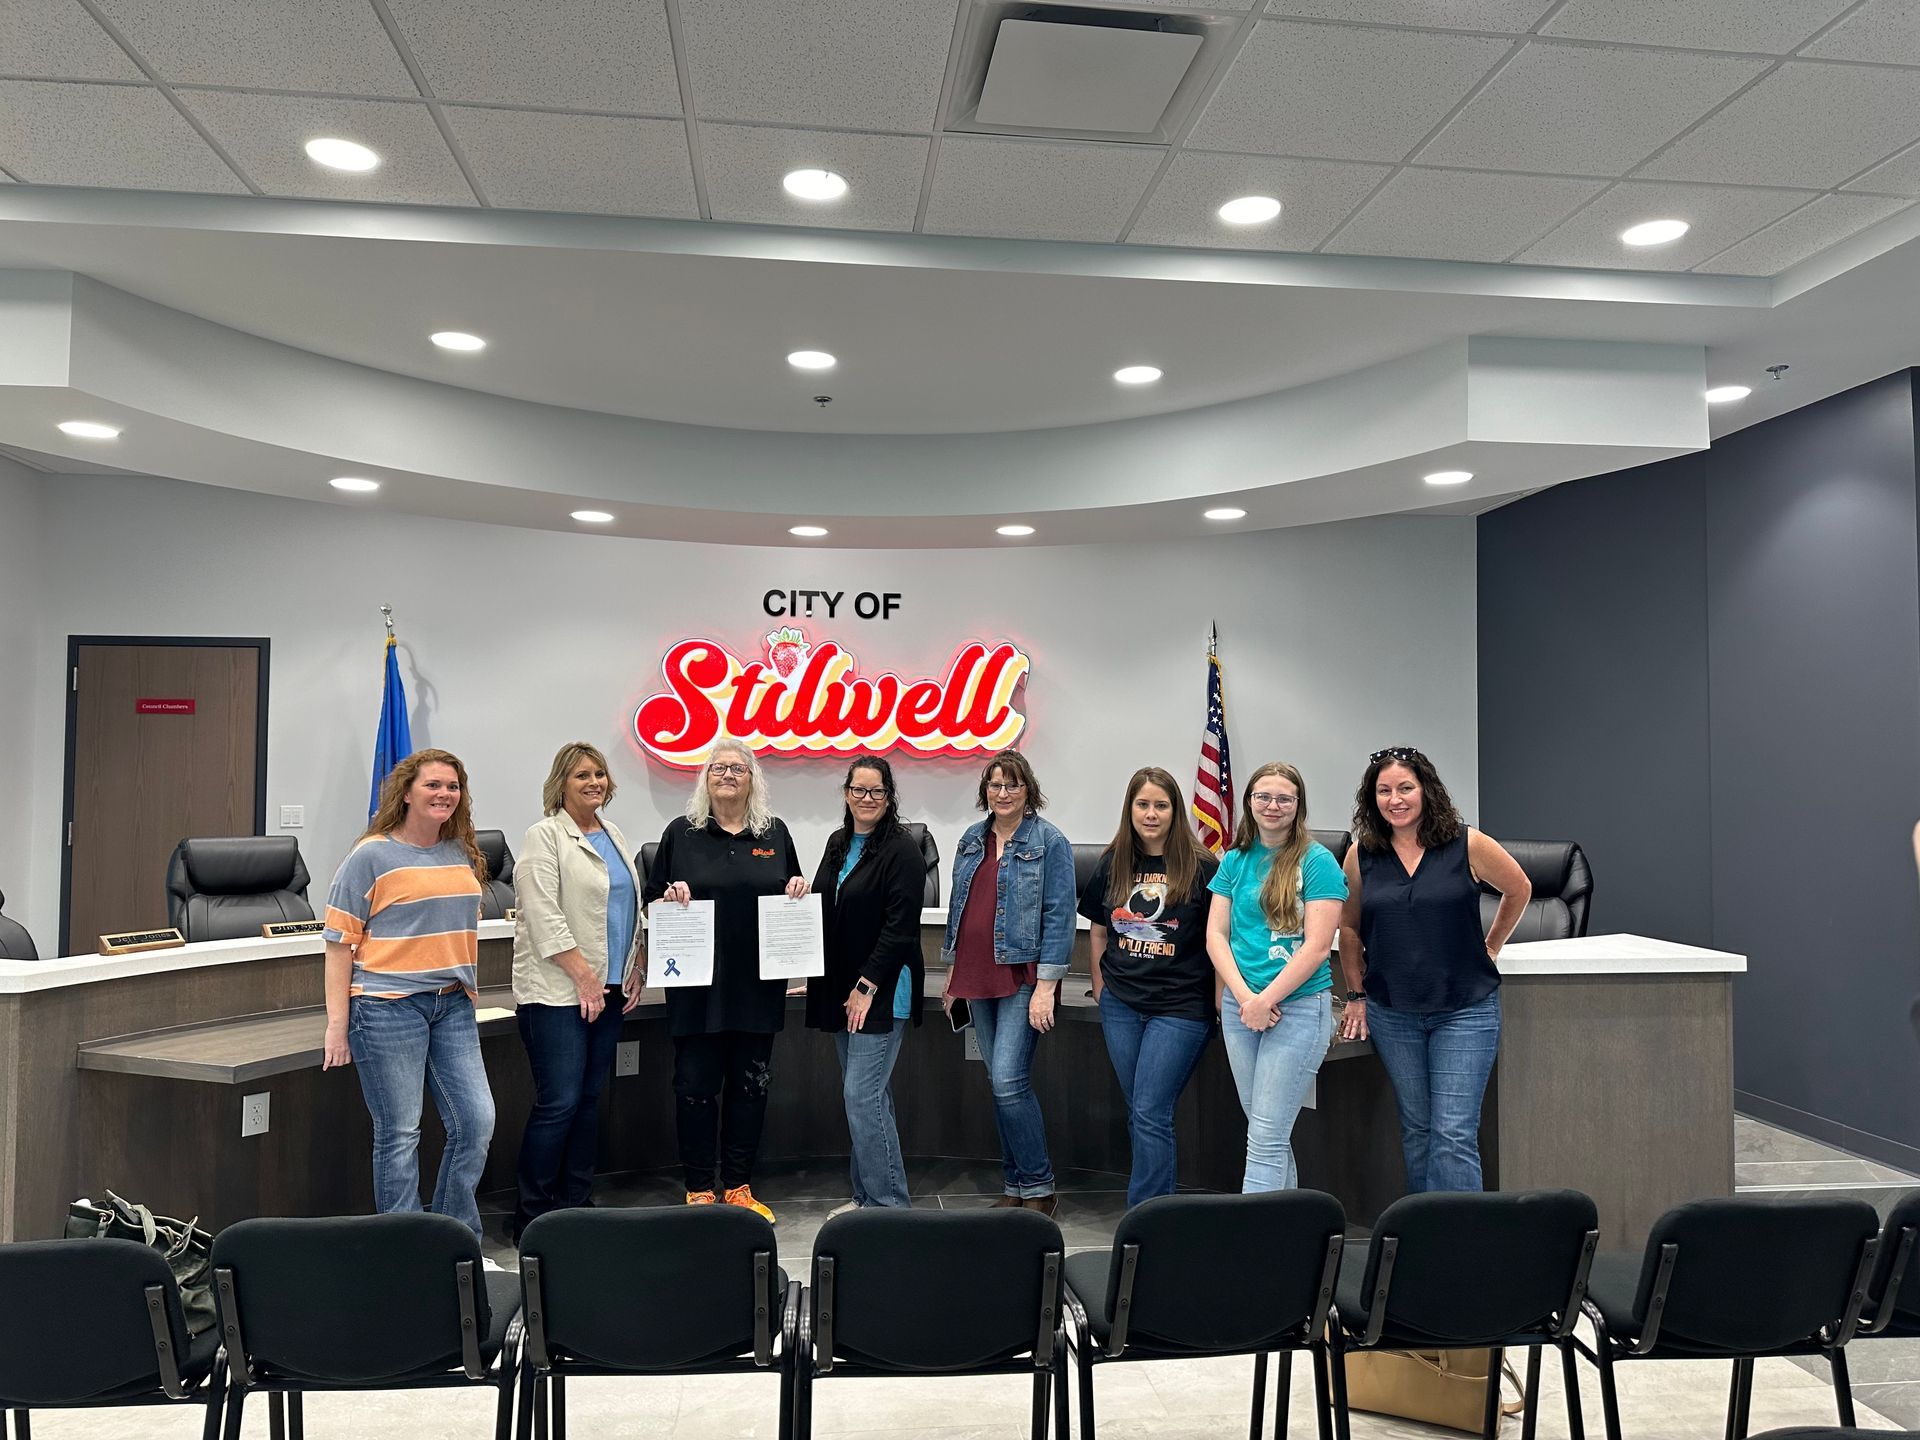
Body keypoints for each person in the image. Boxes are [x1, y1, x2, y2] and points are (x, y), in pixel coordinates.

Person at [1337, 746, 1531, 1194]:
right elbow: (1349, 928)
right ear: (1373, 799)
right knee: (1418, 1129)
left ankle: (1463, 1246)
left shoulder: (1467, 843)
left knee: (1454, 1135)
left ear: (1426, 789)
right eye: (1384, 791)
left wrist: (1492, 945)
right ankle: (1425, 1237)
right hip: (1392, 1011)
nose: (1395, 799)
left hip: (1465, 1010)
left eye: (1405, 787)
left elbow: (1519, 888)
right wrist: (1356, 994)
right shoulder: (1362, 854)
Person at [321, 748, 495, 1240]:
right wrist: (338, 1025)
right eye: (433, 785)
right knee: (400, 1134)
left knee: (477, 1123)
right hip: (384, 1008)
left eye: (453, 787)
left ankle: (454, 1238)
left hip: (452, 1004)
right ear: (407, 792)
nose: (444, 794)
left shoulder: (461, 851)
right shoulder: (370, 855)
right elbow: (339, 945)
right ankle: (405, 1247)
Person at [643, 738, 807, 1220]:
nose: (728, 775)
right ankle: (698, 1187)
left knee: (749, 1088)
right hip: (697, 990)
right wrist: (669, 895)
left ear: (752, 779)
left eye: (738, 768)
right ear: (705, 778)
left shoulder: (773, 833)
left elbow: (791, 888)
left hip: (757, 988)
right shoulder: (682, 833)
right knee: (694, 1087)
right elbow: (652, 899)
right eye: (719, 768)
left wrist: (797, 887)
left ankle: (737, 1185)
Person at [510, 741, 645, 1241]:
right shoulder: (543, 837)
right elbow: (544, 917)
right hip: (557, 995)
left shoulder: (616, 835)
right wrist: (586, 978)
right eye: (581, 775)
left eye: (600, 774)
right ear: (560, 785)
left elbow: (627, 911)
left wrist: (637, 966)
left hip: (609, 991)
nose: (594, 782)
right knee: (559, 1102)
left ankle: (577, 1203)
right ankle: (534, 1214)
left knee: (589, 1099)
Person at [940, 749, 1075, 1215]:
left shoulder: (1049, 841)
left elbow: (1060, 915)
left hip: (1021, 976)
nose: (1002, 793)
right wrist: (953, 976)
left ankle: (1040, 1186)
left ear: (1027, 789)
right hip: (976, 975)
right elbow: (962, 908)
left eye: (1012, 784)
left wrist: (1047, 985)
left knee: (1008, 1081)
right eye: (994, 785)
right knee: (998, 1081)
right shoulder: (970, 840)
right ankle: (1015, 1184)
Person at [1079, 766, 1218, 1207]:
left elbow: (1219, 939)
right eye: (1143, 805)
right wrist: (1101, 987)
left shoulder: (1202, 867)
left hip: (1179, 1008)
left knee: (1150, 1112)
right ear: (1131, 809)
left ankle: (1146, 1217)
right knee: (1141, 1111)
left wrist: (1216, 1002)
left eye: (1161, 805)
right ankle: (1159, 1211)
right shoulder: (1114, 860)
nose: (1152, 814)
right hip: (1121, 1004)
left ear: (1175, 811)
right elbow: (1099, 930)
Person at [1205, 761, 1347, 1193]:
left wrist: (1265, 999)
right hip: (1241, 1007)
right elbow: (1216, 934)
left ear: (1298, 806)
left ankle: (1253, 1246)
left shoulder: (1318, 861)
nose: (1273, 805)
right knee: (1266, 1131)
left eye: (1284, 798)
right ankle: (1289, 1236)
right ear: (1249, 803)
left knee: (1264, 1137)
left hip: (1299, 1007)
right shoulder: (1234, 858)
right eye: (1263, 796)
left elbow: (1318, 946)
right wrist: (1246, 997)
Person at [805, 755, 926, 1213]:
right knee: (870, 1099)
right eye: (858, 790)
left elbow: (899, 929)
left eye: (876, 791)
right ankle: (866, 1199)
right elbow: (824, 910)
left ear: (889, 797)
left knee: (861, 1097)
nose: (867, 798)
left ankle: (889, 1209)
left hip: (881, 989)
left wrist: (867, 985)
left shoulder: (902, 849)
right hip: (843, 990)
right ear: (846, 794)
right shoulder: (838, 843)